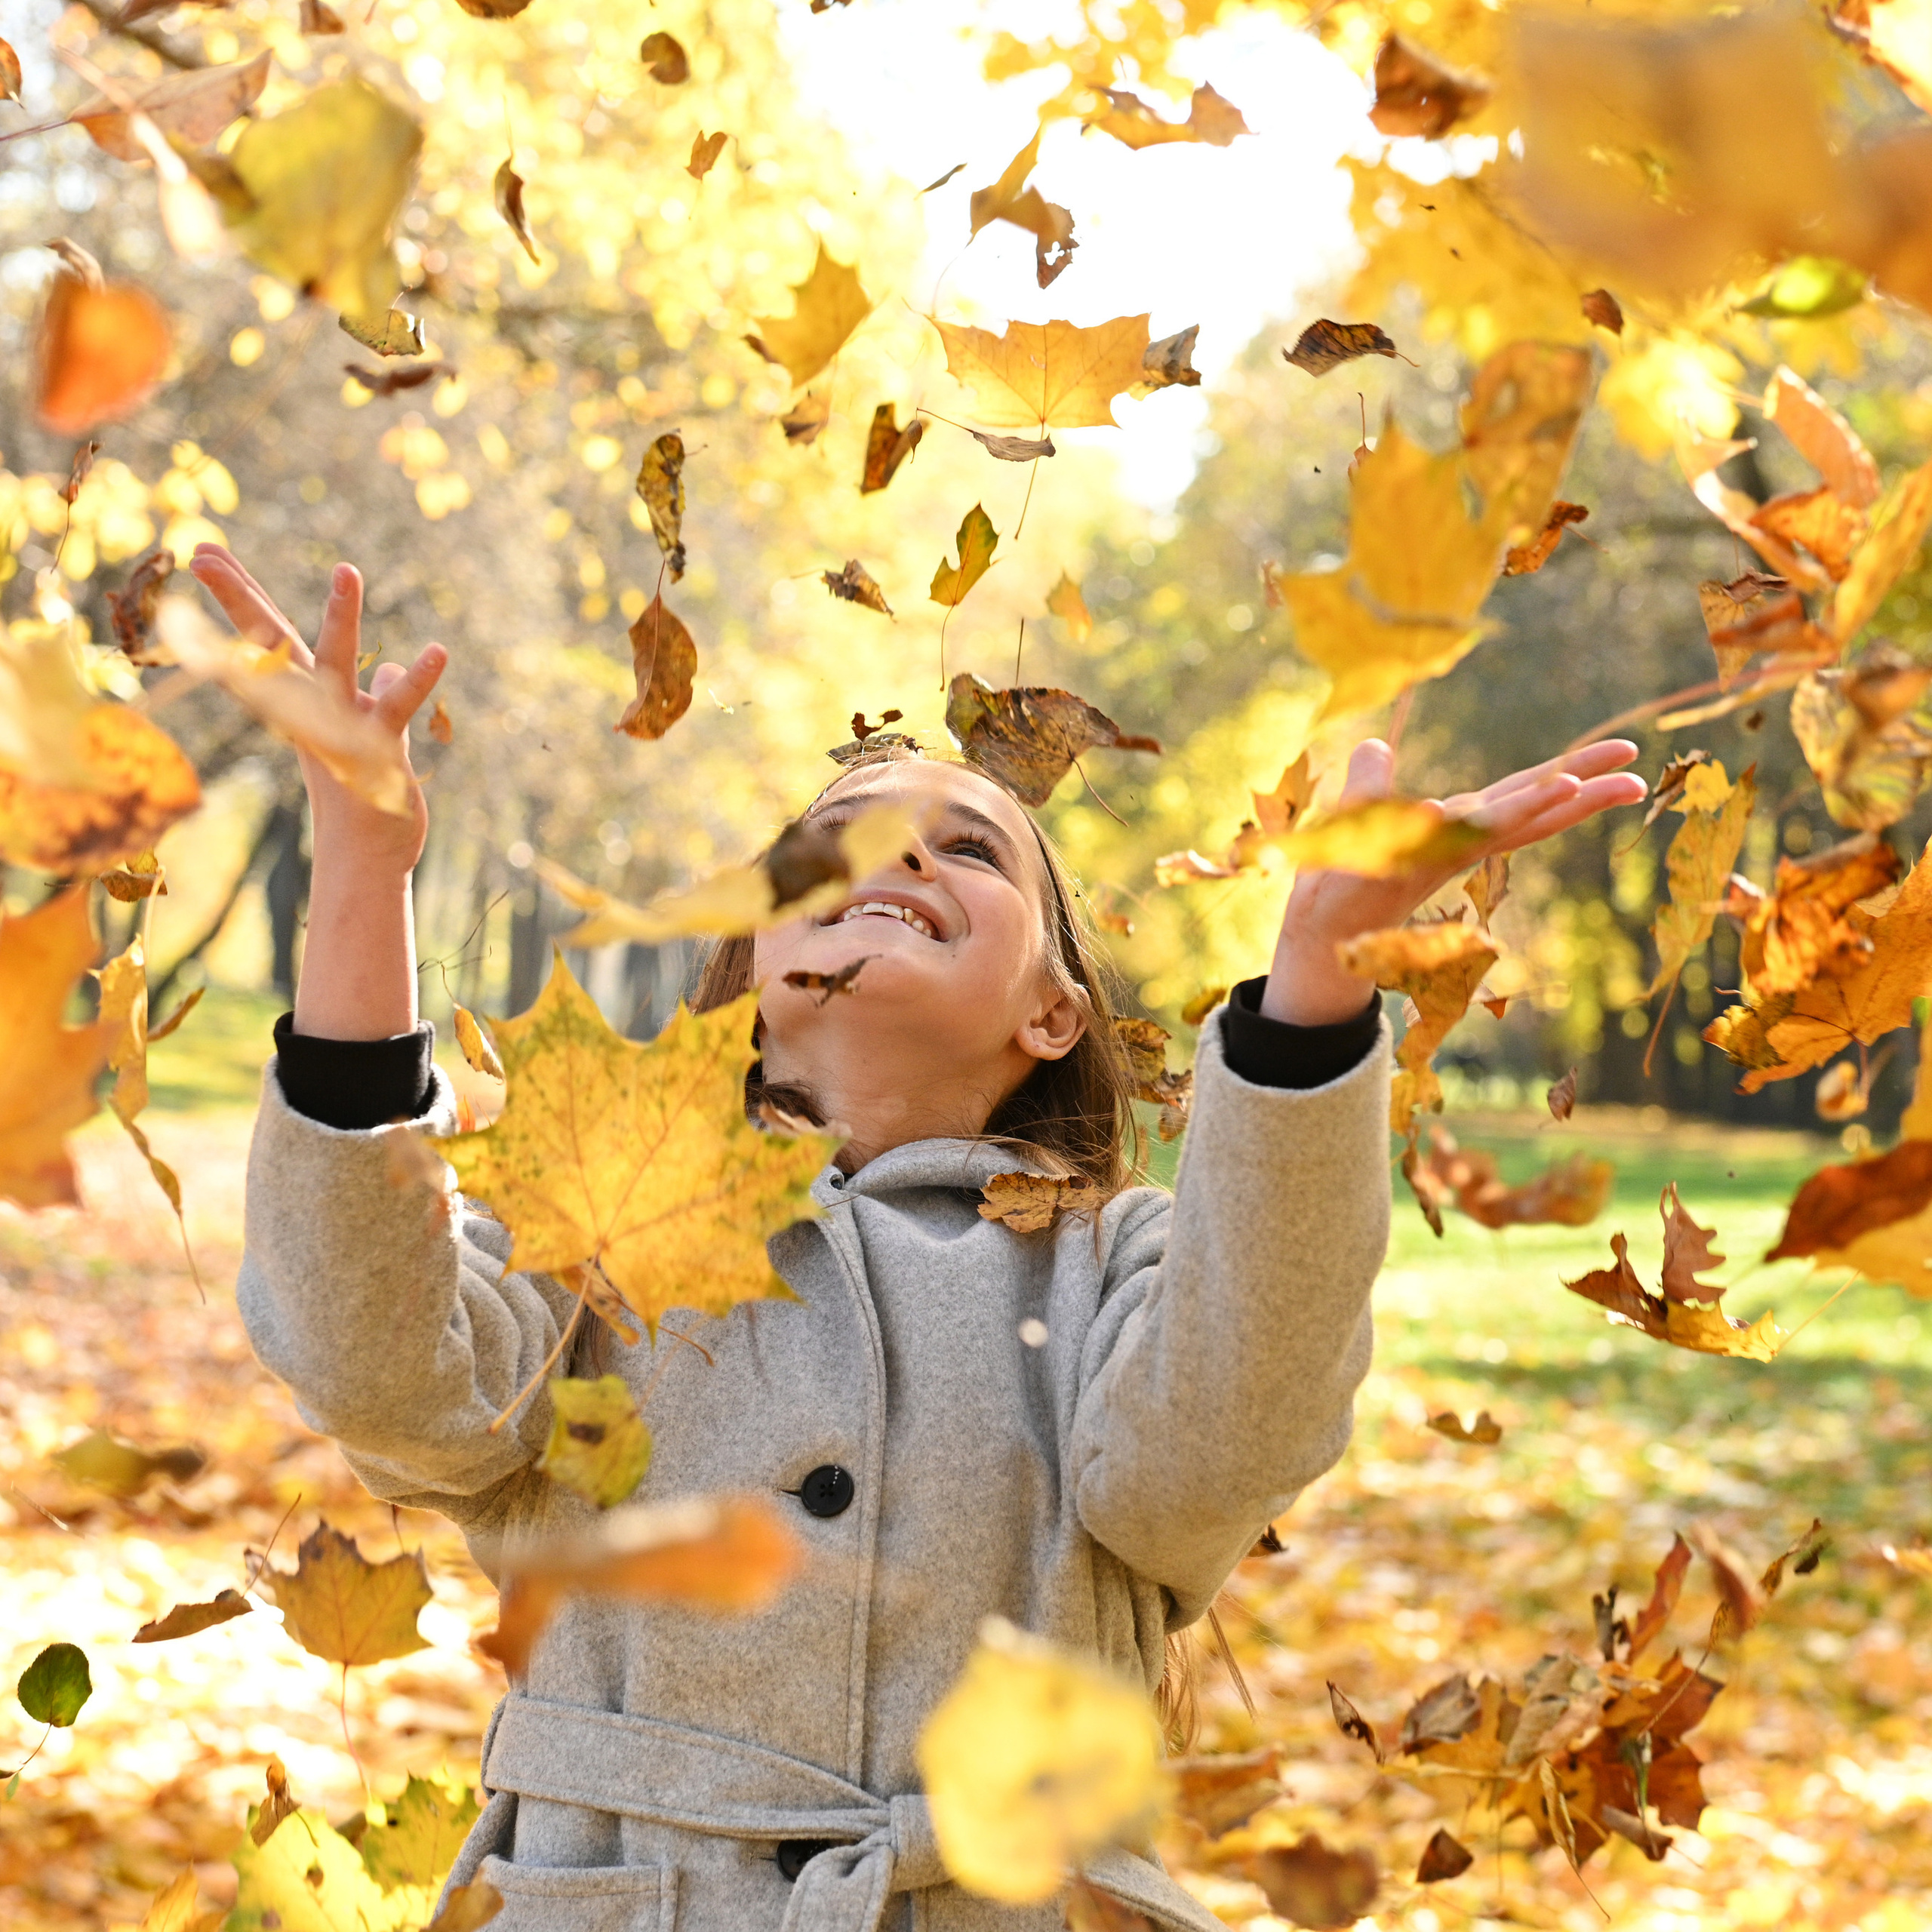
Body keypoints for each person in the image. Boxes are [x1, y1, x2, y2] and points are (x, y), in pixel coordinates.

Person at [195, 543, 1645, 1932]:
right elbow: (385, 1368)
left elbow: (1217, 1442)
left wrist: (1319, 983)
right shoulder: (600, 1204)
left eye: (970, 849)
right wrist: (363, 873)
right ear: (757, 965)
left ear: (1052, 1011)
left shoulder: (1112, 1266)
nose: (899, 852)